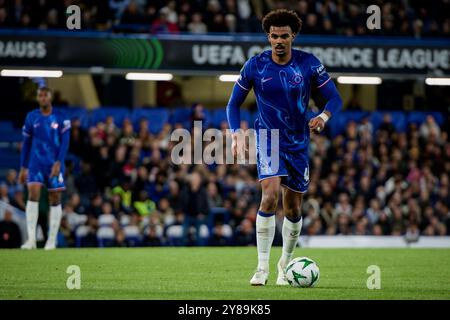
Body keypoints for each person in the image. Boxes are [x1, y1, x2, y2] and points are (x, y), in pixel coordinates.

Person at [226, 9, 342, 285]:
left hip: (299, 141)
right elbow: (233, 104)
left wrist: (323, 117)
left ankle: (285, 265)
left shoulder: (309, 64)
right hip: (268, 137)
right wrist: (235, 134)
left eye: (284, 36)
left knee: (293, 209)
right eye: (274, 36)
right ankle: (261, 268)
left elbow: (334, 99)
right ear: (268, 36)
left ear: (293, 36)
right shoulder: (255, 65)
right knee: (269, 196)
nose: (279, 41)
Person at [18, 87, 71, 250]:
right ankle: (31, 240)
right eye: (40, 96)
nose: (42, 98)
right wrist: (23, 167)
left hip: (53, 163)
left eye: (45, 95)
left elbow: (65, 142)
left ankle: (51, 240)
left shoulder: (61, 117)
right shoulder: (31, 117)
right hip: (36, 164)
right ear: (37, 98)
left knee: (55, 198)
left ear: (50, 97)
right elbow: (26, 144)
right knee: (33, 195)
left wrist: (59, 162)